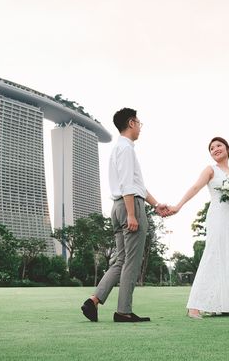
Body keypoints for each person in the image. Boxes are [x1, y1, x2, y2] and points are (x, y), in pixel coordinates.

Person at [81, 107, 170, 323]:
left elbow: (137, 185)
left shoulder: (118, 149)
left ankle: (94, 300)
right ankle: (123, 311)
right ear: (131, 123)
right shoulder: (126, 149)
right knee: (132, 260)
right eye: (139, 122)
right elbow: (128, 185)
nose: (140, 127)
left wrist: (156, 204)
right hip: (129, 207)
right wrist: (132, 214)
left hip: (117, 207)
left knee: (121, 259)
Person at [167, 137, 229, 319]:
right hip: (218, 215)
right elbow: (196, 187)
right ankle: (195, 306)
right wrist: (178, 205)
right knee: (214, 254)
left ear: (228, 149)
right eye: (212, 148)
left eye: (219, 146)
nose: (215, 149)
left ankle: (227, 304)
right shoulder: (210, 170)